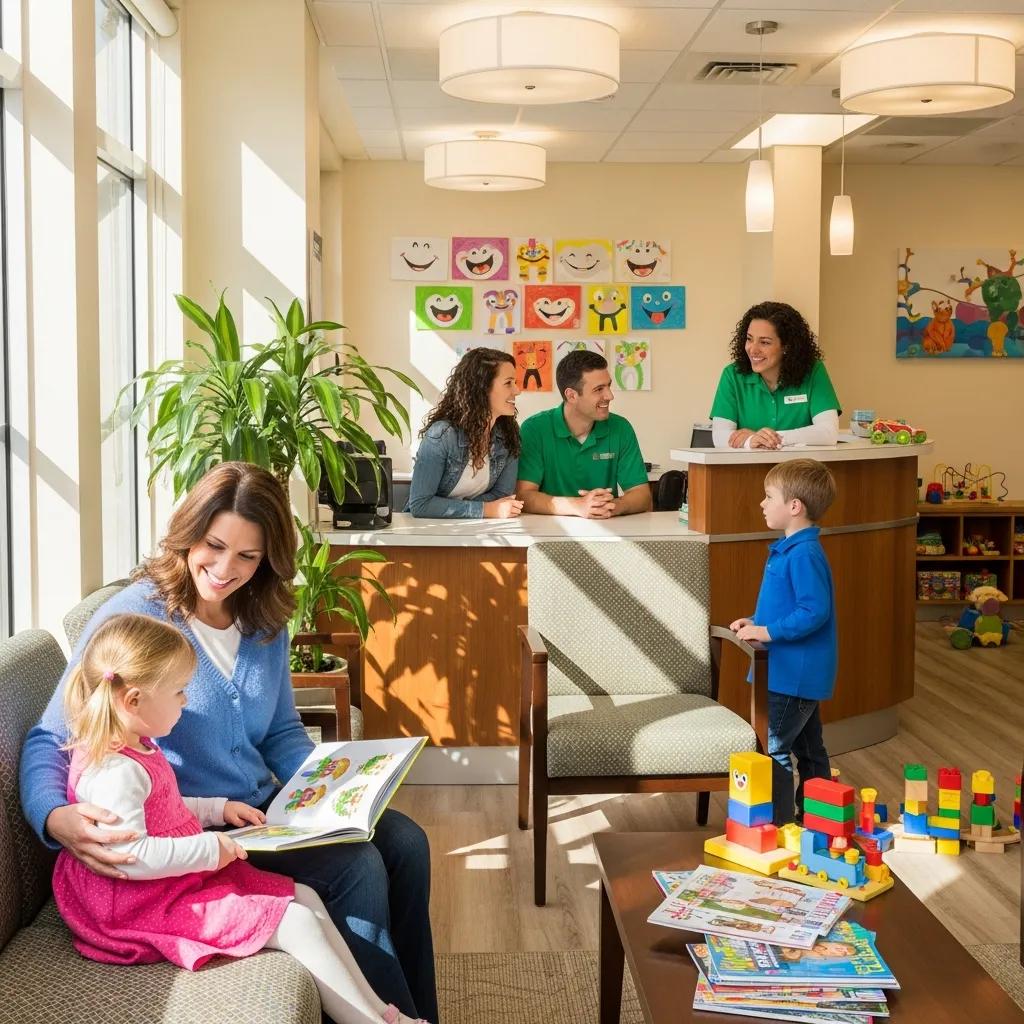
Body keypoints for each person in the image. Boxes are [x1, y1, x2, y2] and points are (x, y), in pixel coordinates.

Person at [20, 462, 437, 1024]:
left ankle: (418, 1012)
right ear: (188, 532)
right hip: (191, 828)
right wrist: (54, 815)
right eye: (213, 546)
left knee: (407, 842)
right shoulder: (135, 619)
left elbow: (282, 731)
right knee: (357, 867)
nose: (224, 569)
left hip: (255, 809)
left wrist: (329, 785)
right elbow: (51, 735)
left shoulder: (263, 615)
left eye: (248, 556)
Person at [53, 612, 425, 1024]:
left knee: (306, 896)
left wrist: (217, 810)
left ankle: (382, 1011)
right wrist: (212, 846)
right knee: (296, 920)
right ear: (134, 700)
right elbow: (133, 855)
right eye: (179, 692)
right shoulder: (115, 771)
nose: (186, 701)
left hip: (167, 883)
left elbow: (165, 807)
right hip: (139, 904)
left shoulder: (138, 746)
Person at [728, 459, 838, 826]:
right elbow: (786, 606)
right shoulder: (789, 549)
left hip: (792, 674)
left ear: (794, 507)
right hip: (789, 672)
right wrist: (757, 621)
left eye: (768, 496)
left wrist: (767, 633)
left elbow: (813, 611)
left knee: (773, 748)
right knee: (810, 749)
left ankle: (775, 826)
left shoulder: (803, 553)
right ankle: (818, 820)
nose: (762, 503)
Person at [516, 349, 652, 518]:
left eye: (608, 386)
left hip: (607, 530)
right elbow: (524, 496)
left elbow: (642, 495)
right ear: (572, 395)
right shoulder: (534, 429)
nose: (609, 396)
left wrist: (611, 506)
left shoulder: (621, 428)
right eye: (599, 389)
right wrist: (577, 506)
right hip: (549, 533)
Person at [407, 347, 524, 519]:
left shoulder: (508, 436)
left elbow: (502, 496)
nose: (517, 391)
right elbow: (420, 504)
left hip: (478, 531)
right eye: (508, 383)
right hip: (427, 533)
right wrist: (485, 509)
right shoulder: (442, 435)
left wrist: (484, 509)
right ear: (482, 388)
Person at [710, 301, 841, 450]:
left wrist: (767, 438)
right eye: (749, 339)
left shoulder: (813, 371)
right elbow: (720, 436)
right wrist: (751, 440)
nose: (753, 349)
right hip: (745, 471)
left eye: (764, 342)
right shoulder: (732, 375)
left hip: (797, 471)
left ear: (787, 346)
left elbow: (828, 433)